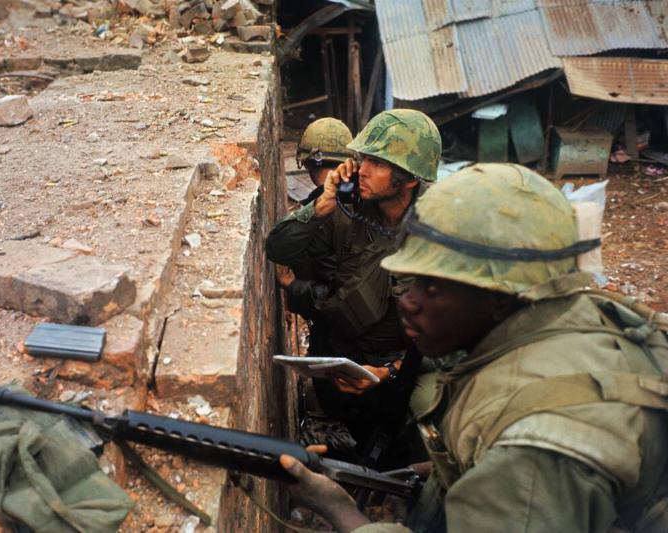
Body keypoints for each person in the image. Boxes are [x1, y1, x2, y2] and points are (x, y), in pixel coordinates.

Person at [280, 163, 668, 532]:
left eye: (432, 286)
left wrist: (340, 510)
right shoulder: (572, 312)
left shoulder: (533, 451)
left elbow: (529, 468)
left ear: (498, 296)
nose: (408, 301)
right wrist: (434, 474)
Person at [267, 109, 442, 457]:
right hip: (345, 354)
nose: (360, 169)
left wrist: (387, 372)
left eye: (377, 163)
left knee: (428, 410)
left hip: (403, 363)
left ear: (407, 180)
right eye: (363, 158)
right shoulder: (347, 209)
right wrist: (322, 204)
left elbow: (456, 342)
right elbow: (278, 247)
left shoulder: (441, 227)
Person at [277, 118, 354, 357]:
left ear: (307, 164)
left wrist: (291, 286)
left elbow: (339, 297)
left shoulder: (318, 214)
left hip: (342, 339)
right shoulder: (362, 200)